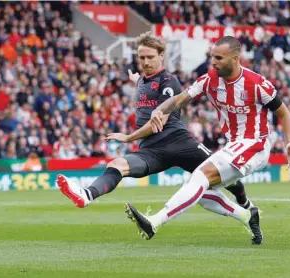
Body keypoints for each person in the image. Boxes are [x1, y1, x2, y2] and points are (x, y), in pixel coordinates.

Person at [56, 32, 260, 243]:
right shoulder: (142, 81)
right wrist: (137, 80)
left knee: (228, 178)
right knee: (118, 164)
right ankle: (86, 195)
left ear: (161, 55)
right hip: (152, 150)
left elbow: (157, 122)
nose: (145, 62)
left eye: (150, 57)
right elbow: (143, 82)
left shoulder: (169, 81)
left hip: (179, 143)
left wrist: (128, 138)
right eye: (141, 58)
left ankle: (247, 207)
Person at [124, 36, 290, 245]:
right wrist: (158, 110)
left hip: (255, 145)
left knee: (199, 177)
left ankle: (154, 222)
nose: (213, 62)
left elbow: (284, 114)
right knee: (198, 189)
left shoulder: (257, 84)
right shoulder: (209, 80)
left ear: (235, 59)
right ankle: (247, 214)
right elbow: (179, 99)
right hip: (234, 145)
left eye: (218, 58)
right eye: (211, 57)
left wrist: (289, 143)